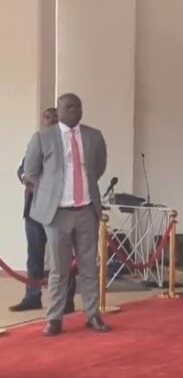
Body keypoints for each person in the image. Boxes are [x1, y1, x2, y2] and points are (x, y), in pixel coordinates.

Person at [22, 93, 110, 336]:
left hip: (86, 210)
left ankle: (93, 315)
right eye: (70, 107)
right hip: (57, 213)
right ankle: (54, 319)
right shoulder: (43, 137)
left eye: (78, 107)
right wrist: (51, 189)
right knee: (59, 270)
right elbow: (30, 171)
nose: (75, 111)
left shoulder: (94, 136)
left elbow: (98, 167)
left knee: (89, 267)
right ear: (59, 111)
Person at [8, 107, 76, 313]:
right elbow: (22, 168)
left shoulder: (67, 144)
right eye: (47, 117)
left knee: (62, 257)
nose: (51, 120)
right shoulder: (35, 142)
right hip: (33, 210)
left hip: (58, 210)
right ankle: (32, 297)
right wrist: (24, 177)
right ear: (42, 120)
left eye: (55, 117)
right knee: (34, 256)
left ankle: (66, 300)